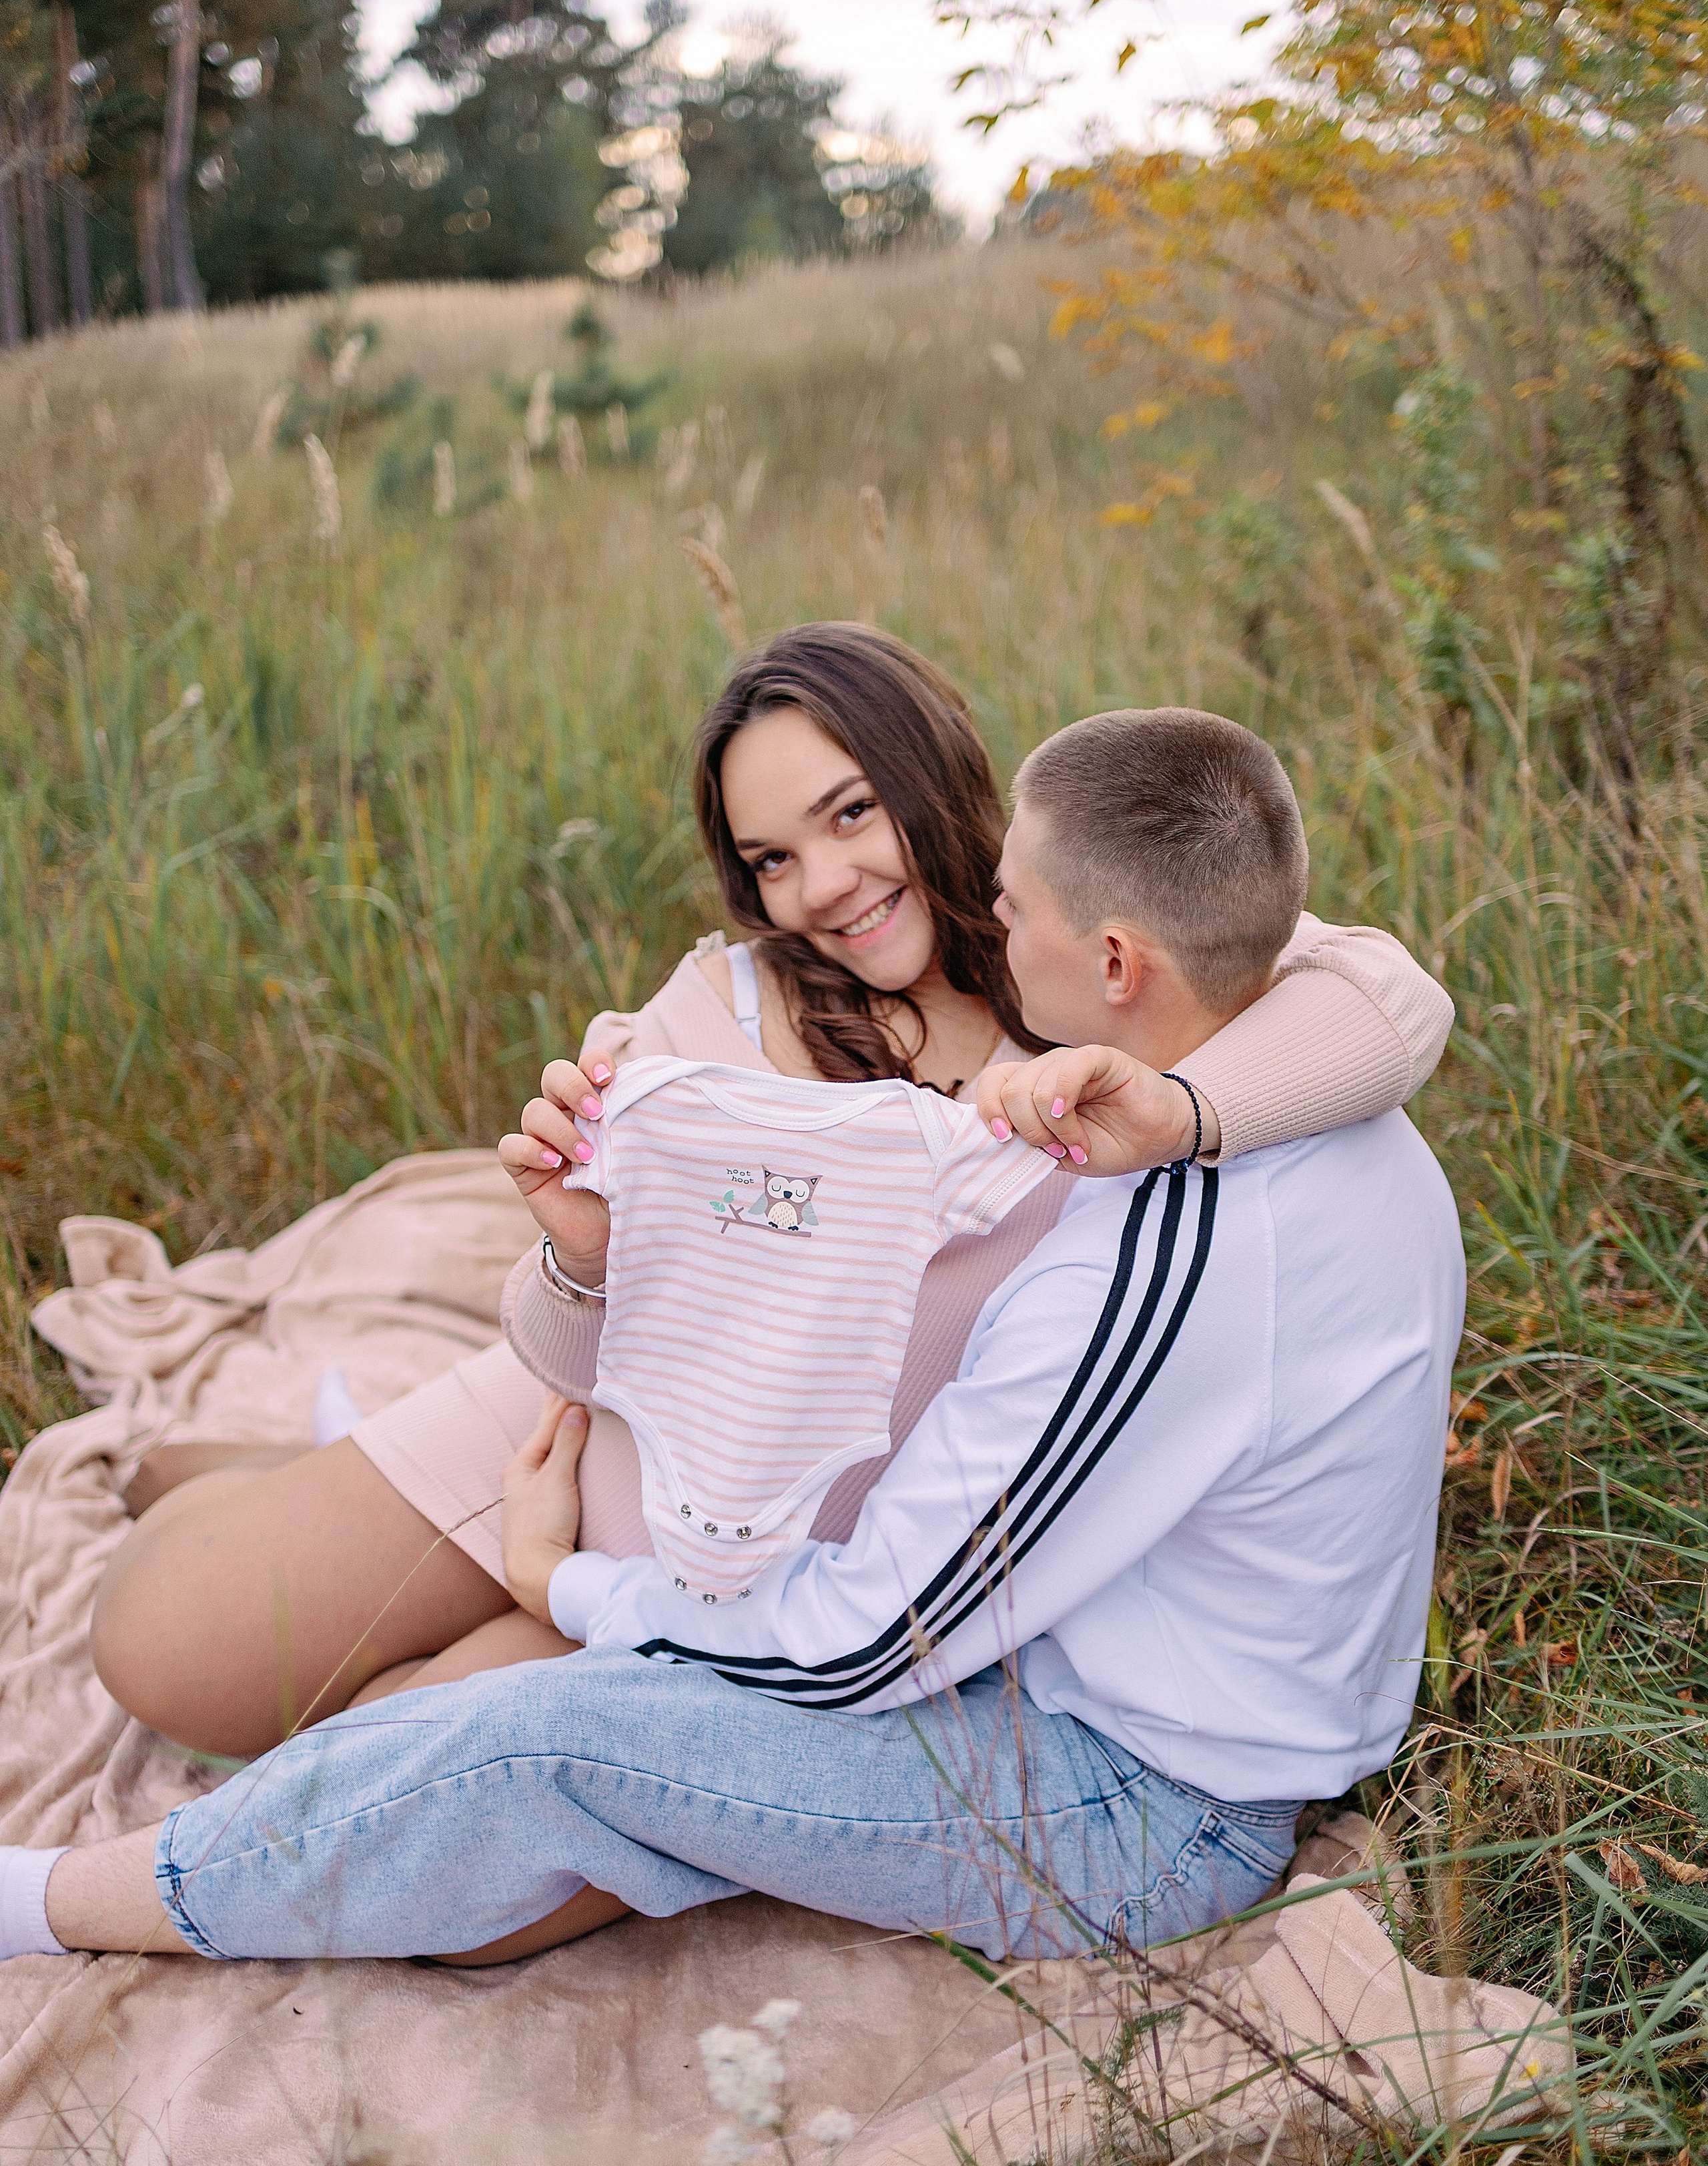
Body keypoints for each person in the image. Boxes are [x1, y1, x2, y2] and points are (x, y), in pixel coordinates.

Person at [3, 706, 1464, 1969]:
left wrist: (565, 1589)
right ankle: (253, 1511)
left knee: (512, 1758)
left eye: (850, 816)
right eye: (771, 855)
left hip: (1102, 1763)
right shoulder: (1325, 1129)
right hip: (728, 1500)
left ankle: (69, 1901)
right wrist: (585, 1255)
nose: (822, 883)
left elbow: (865, 1640)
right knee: (293, 1675)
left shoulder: (1171, 1196)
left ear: (1116, 957)